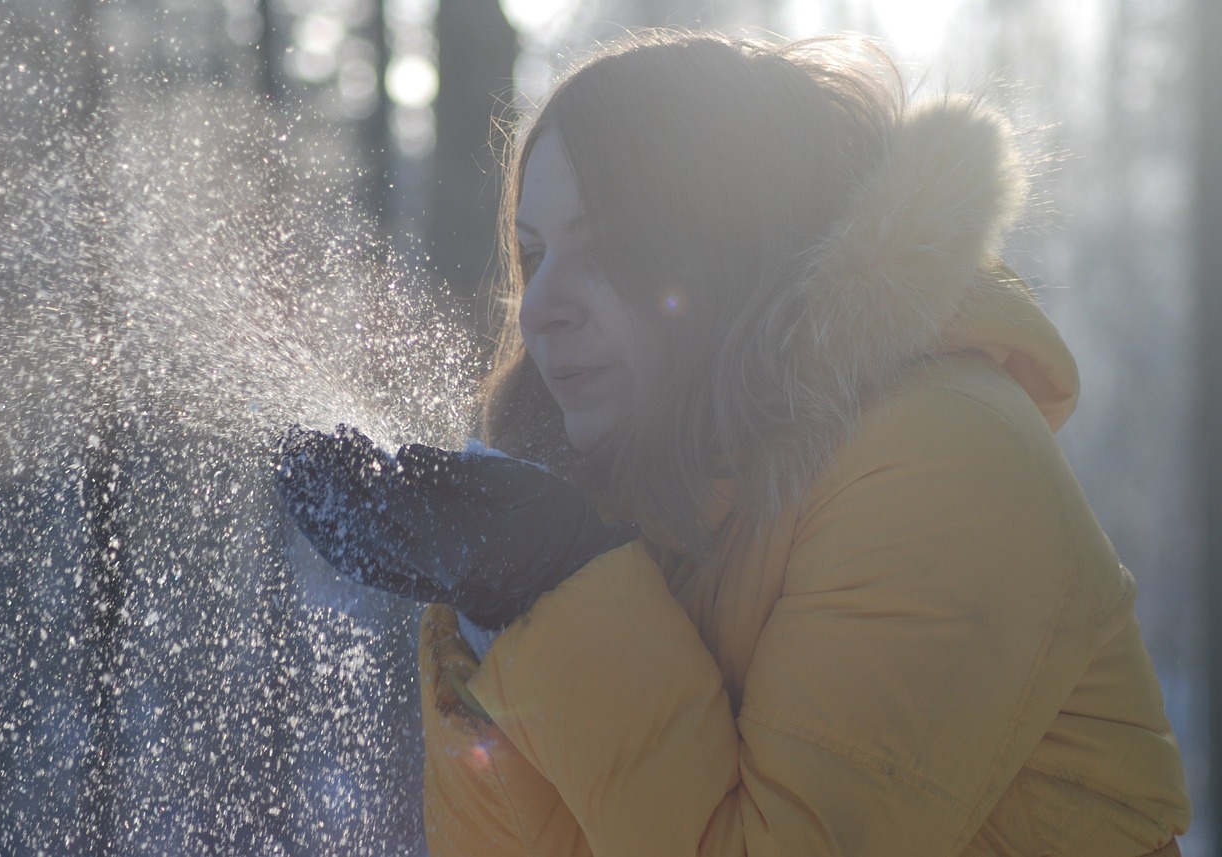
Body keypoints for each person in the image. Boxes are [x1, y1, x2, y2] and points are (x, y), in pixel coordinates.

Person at [277, 30, 1192, 856]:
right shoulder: (632, 495)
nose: (542, 304)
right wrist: (493, 614)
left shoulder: (946, 462)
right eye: (534, 252)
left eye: (601, 249)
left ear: (725, 249)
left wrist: (551, 591)